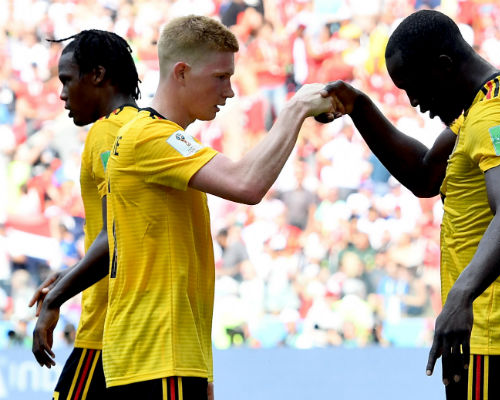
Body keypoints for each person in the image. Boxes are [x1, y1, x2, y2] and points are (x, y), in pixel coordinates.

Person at [35, 15, 334, 399]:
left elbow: (123, 241)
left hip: (151, 349)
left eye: (65, 80)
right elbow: (244, 184)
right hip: (152, 351)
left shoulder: (145, 137)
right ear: (181, 72)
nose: (229, 92)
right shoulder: (143, 135)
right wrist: (297, 109)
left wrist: (202, 368)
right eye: (220, 78)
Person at [320, 10, 500, 399]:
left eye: (414, 87)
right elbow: (426, 175)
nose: (414, 102)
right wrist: (359, 106)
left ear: (444, 65)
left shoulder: (494, 115)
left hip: (499, 339)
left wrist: (459, 299)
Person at [29, 29, 140, 400]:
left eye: (66, 80)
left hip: (107, 329)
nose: (61, 94)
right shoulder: (148, 129)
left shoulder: (107, 134)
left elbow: (116, 236)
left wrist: (55, 299)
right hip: (137, 330)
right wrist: (76, 271)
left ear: (97, 75)